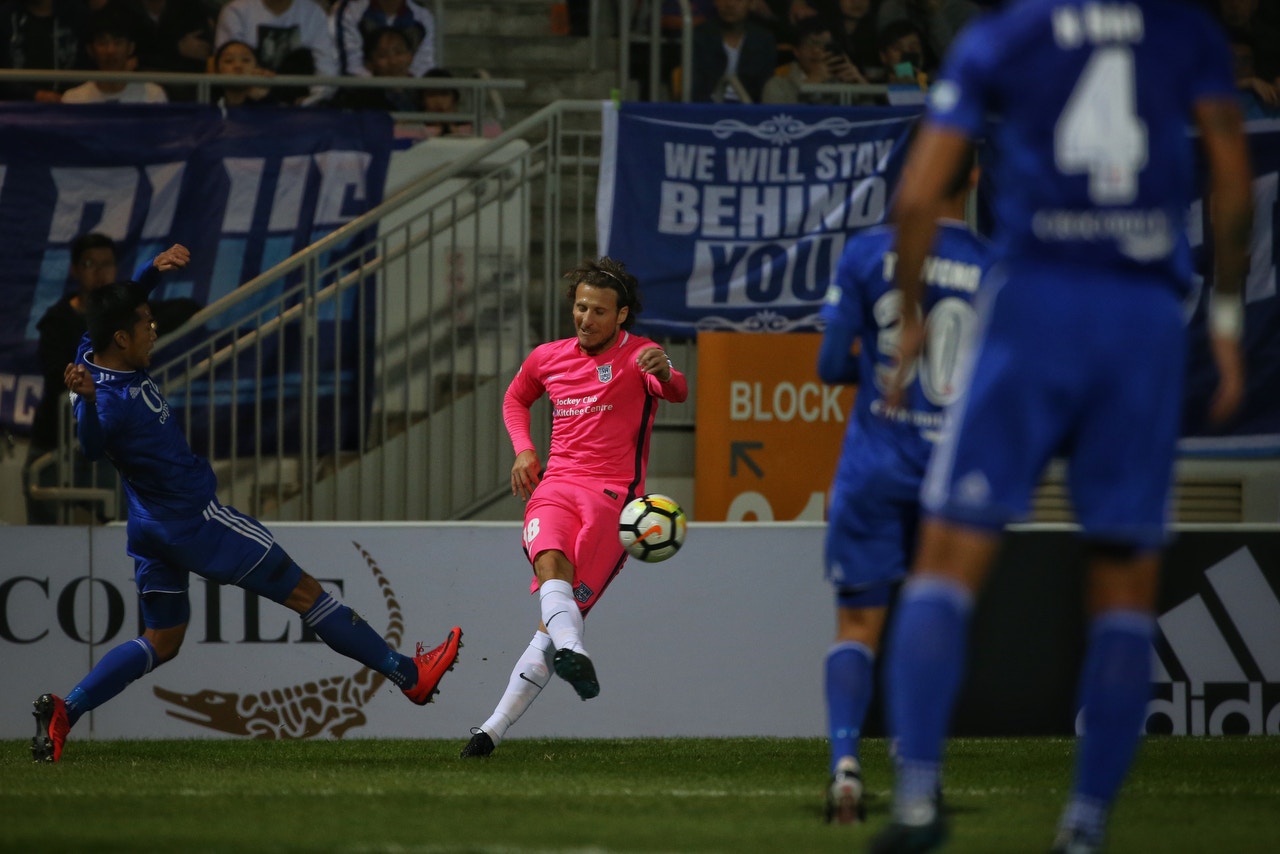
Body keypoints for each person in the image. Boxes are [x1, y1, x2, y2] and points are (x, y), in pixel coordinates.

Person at [871, 1, 1253, 852]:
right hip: (1144, 321)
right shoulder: (1184, 32)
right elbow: (1230, 171)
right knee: (1122, 587)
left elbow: (919, 193)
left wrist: (910, 321)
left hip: (1034, 306)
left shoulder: (1005, 35)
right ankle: (1083, 829)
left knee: (945, 559)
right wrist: (1224, 320)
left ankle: (918, 802)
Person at [31, 253, 463, 763]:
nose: (153, 329)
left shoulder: (93, 349)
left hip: (149, 526)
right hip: (196, 522)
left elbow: (122, 306)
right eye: (145, 324)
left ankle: (68, 710)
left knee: (161, 641)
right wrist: (82, 402)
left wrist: (153, 269)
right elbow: (88, 447)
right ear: (121, 338)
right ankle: (408, 676)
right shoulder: (109, 403)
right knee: (308, 595)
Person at [817, 142, 987, 824]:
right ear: (975, 176)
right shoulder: (994, 266)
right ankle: (921, 773)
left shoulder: (865, 254)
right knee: (932, 623)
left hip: (874, 466)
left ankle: (845, 765)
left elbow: (831, 365)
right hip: (951, 479)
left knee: (859, 624)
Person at [458, 257, 688, 759]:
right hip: (557, 486)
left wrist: (667, 370)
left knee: (556, 618)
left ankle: (491, 730)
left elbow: (676, 389)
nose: (585, 319)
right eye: (580, 308)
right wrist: (523, 447)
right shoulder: (548, 357)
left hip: (614, 504)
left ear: (621, 315)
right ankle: (572, 653)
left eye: (599, 311)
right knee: (549, 566)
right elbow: (516, 398)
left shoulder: (641, 355)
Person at [23, 234, 200, 525]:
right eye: (91, 264)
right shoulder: (65, 327)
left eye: (107, 264)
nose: (100, 272)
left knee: (127, 526)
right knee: (45, 536)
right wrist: (88, 393)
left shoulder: (121, 322)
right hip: (55, 445)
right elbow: (61, 382)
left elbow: (157, 298)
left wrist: (153, 269)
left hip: (108, 447)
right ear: (75, 269)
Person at [215, 0, 338, 105]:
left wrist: (312, 101)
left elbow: (326, 68)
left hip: (299, 110)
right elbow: (226, 66)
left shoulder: (313, 13)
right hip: (247, 106)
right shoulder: (236, 10)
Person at [61, 8, 168, 104]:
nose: (110, 51)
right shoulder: (73, 99)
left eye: (118, 43)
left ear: (130, 48)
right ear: (90, 50)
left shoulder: (153, 96)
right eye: (103, 43)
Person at [761, 16, 867, 103]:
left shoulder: (842, 83)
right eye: (810, 44)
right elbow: (781, 123)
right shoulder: (777, 86)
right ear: (796, 51)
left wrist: (862, 87)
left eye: (824, 45)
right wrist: (811, 84)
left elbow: (872, 124)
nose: (816, 51)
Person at [0, 0, 88, 102]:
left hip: (73, 106)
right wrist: (33, 94)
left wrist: (72, 95)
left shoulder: (77, 14)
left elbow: (87, 64)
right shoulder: (6, 15)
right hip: (15, 108)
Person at [691, 0, 778, 102]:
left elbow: (765, 86)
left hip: (750, 110)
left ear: (751, 3)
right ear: (715, 2)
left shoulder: (763, 39)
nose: (730, 4)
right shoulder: (699, 36)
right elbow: (696, 88)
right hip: (707, 109)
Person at [331, 0, 435, 79]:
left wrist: (403, 87)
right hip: (364, 92)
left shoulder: (422, 15)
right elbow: (352, 66)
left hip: (409, 92)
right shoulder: (352, 10)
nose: (393, 61)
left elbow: (424, 65)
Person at [211, 38, 274, 108]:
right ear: (217, 70)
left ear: (257, 67)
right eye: (229, 60)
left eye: (245, 60)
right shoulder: (205, 103)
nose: (238, 66)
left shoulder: (272, 107)